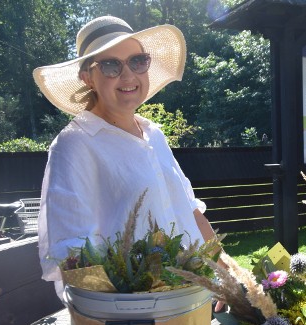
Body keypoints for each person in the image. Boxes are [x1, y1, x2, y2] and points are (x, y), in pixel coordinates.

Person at [33, 16, 223, 306]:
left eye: (137, 61)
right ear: (87, 77)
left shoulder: (153, 134)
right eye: (111, 65)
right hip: (134, 321)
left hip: (190, 303)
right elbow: (71, 252)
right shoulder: (75, 144)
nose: (128, 75)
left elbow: (190, 212)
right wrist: (120, 317)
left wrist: (229, 275)